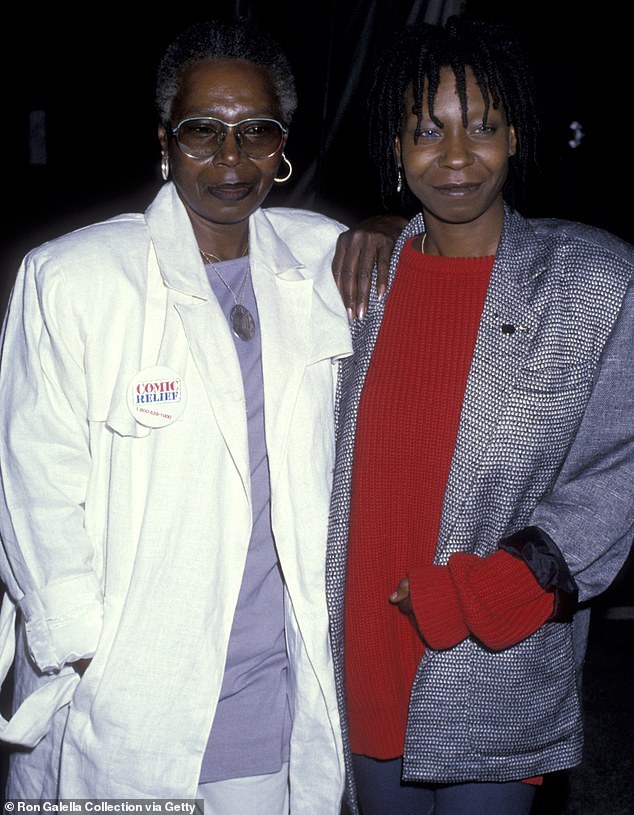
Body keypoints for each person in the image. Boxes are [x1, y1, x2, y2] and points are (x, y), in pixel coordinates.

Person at [0, 18, 397, 812]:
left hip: (268, 688)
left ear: (282, 143)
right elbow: (31, 482)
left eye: (256, 132)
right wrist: (82, 650)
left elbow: (425, 261)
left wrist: (392, 227)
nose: (230, 160)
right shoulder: (76, 278)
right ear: (164, 139)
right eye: (202, 133)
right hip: (121, 688)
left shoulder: (319, 258)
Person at [326, 14, 634, 815]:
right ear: (395, 149)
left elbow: (621, 467)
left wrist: (488, 591)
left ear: (517, 138)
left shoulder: (591, 279)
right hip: (361, 648)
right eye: (427, 131)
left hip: (494, 651)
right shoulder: (354, 286)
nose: (456, 157)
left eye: (484, 129)